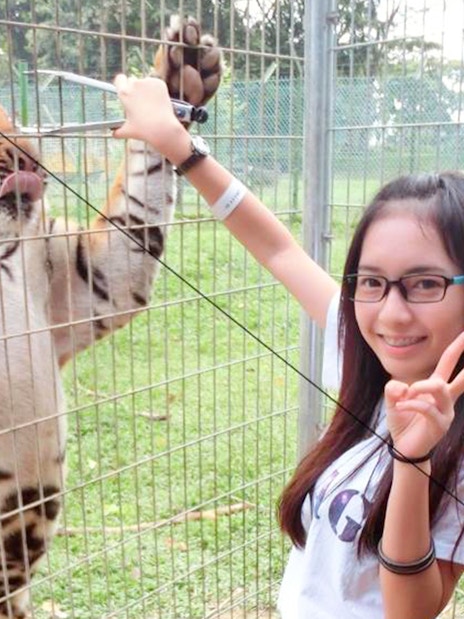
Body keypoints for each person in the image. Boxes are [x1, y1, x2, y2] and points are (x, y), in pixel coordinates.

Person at [112, 74, 464, 619]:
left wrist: (412, 459)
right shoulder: (364, 351)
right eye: (370, 282)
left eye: (425, 284)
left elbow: (410, 612)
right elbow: (277, 249)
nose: (392, 314)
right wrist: (178, 147)